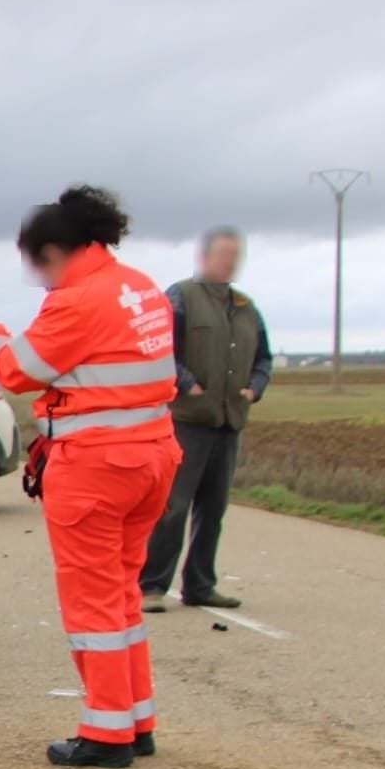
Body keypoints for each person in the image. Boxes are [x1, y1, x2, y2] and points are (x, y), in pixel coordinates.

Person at [0, 186, 181, 768]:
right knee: (124, 594)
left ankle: (107, 732)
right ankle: (137, 720)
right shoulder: (140, 286)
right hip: (153, 455)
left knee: (93, 603)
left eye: (36, 261)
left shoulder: (78, 298)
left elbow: (18, 371)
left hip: (96, 465)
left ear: (56, 250)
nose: (35, 273)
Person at [139, 227, 273, 612]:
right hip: (186, 420)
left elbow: (264, 358)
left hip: (229, 421)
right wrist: (187, 384)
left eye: (237, 255)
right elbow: (160, 348)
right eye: (224, 254)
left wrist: (254, 388)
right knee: (173, 506)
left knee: (213, 510)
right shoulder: (181, 297)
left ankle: (200, 584)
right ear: (205, 257)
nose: (231, 261)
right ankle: (151, 585)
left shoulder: (247, 307)